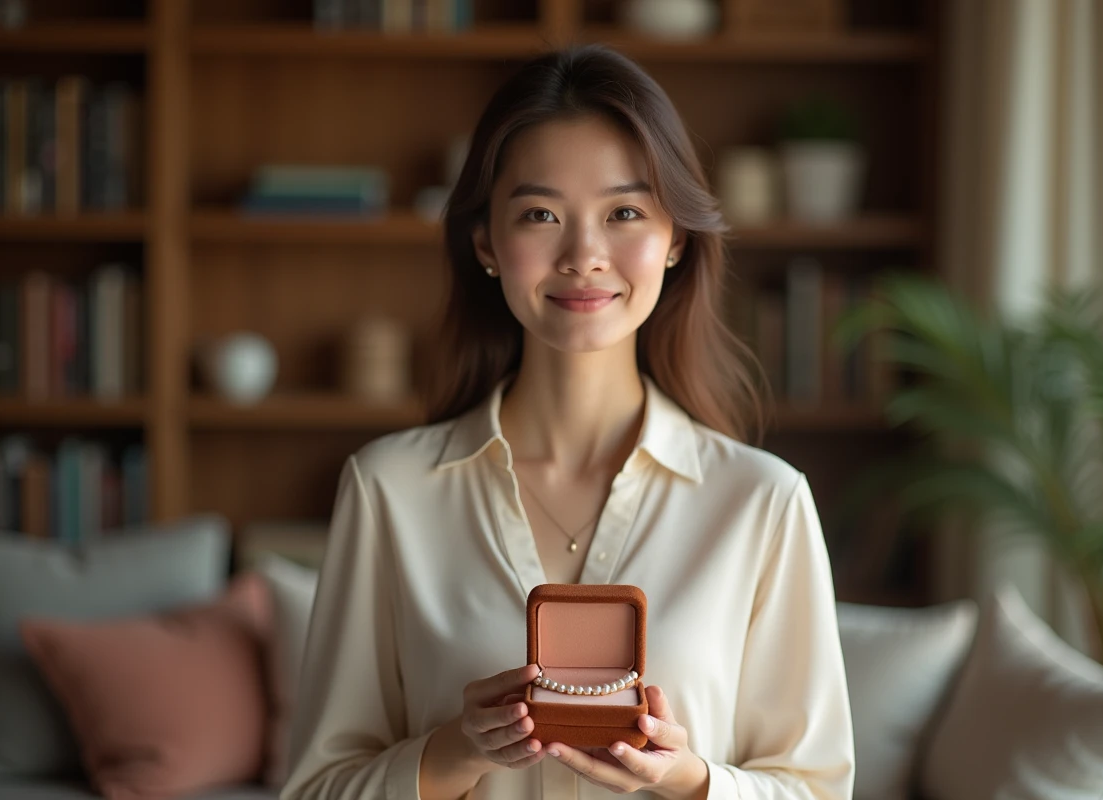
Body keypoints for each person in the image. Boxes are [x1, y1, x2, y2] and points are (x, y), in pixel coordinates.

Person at [280, 43, 854, 800]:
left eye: (625, 213)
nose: (584, 255)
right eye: (540, 214)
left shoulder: (763, 501)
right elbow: (318, 789)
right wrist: (455, 751)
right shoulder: (389, 489)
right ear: (486, 242)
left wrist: (688, 779)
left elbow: (816, 789)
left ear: (676, 240)